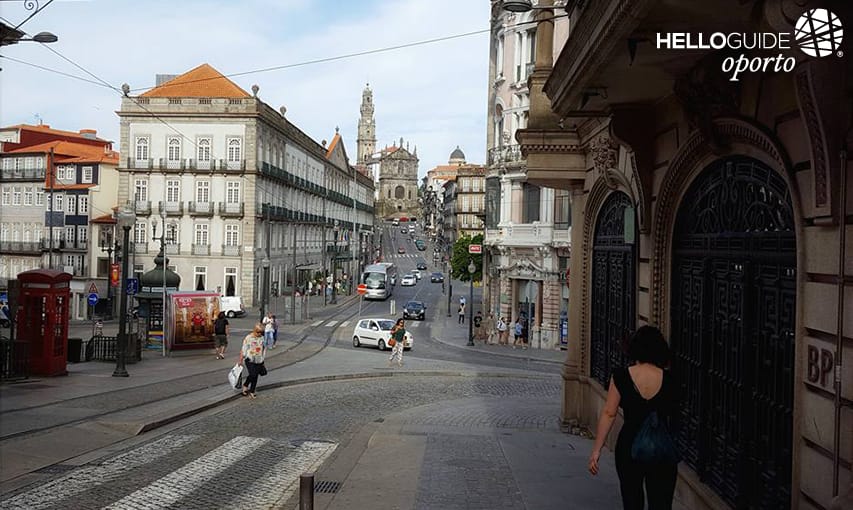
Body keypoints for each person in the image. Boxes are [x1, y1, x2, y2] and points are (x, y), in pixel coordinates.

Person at [588, 326, 678, 510]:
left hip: (629, 446)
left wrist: (597, 450)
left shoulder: (621, 376)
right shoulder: (670, 379)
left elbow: (609, 413)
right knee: (661, 503)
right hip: (661, 447)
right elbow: (674, 412)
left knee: (631, 500)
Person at [238, 323, 267, 399]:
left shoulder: (262, 338)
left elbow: (263, 348)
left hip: (259, 359)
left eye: (261, 332)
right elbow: (243, 348)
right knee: (253, 374)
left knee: (255, 376)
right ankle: (246, 385)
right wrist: (240, 360)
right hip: (249, 359)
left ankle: (252, 391)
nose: (259, 334)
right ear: (254, 331)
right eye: (258, 332)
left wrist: (263, 358)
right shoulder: (248, 338)